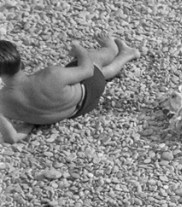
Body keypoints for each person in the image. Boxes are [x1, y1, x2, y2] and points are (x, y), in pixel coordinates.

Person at [0, 36, 140, 144]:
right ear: (19, 60)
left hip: (75, 112)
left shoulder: (2, 101)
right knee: (93, 59)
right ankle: (112, 50)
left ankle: (128, 54)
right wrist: (80, 51)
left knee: (101, 73)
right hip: (89, 93)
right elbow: (87, 71)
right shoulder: (51, 75)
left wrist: (29, 124)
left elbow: (12, 138)